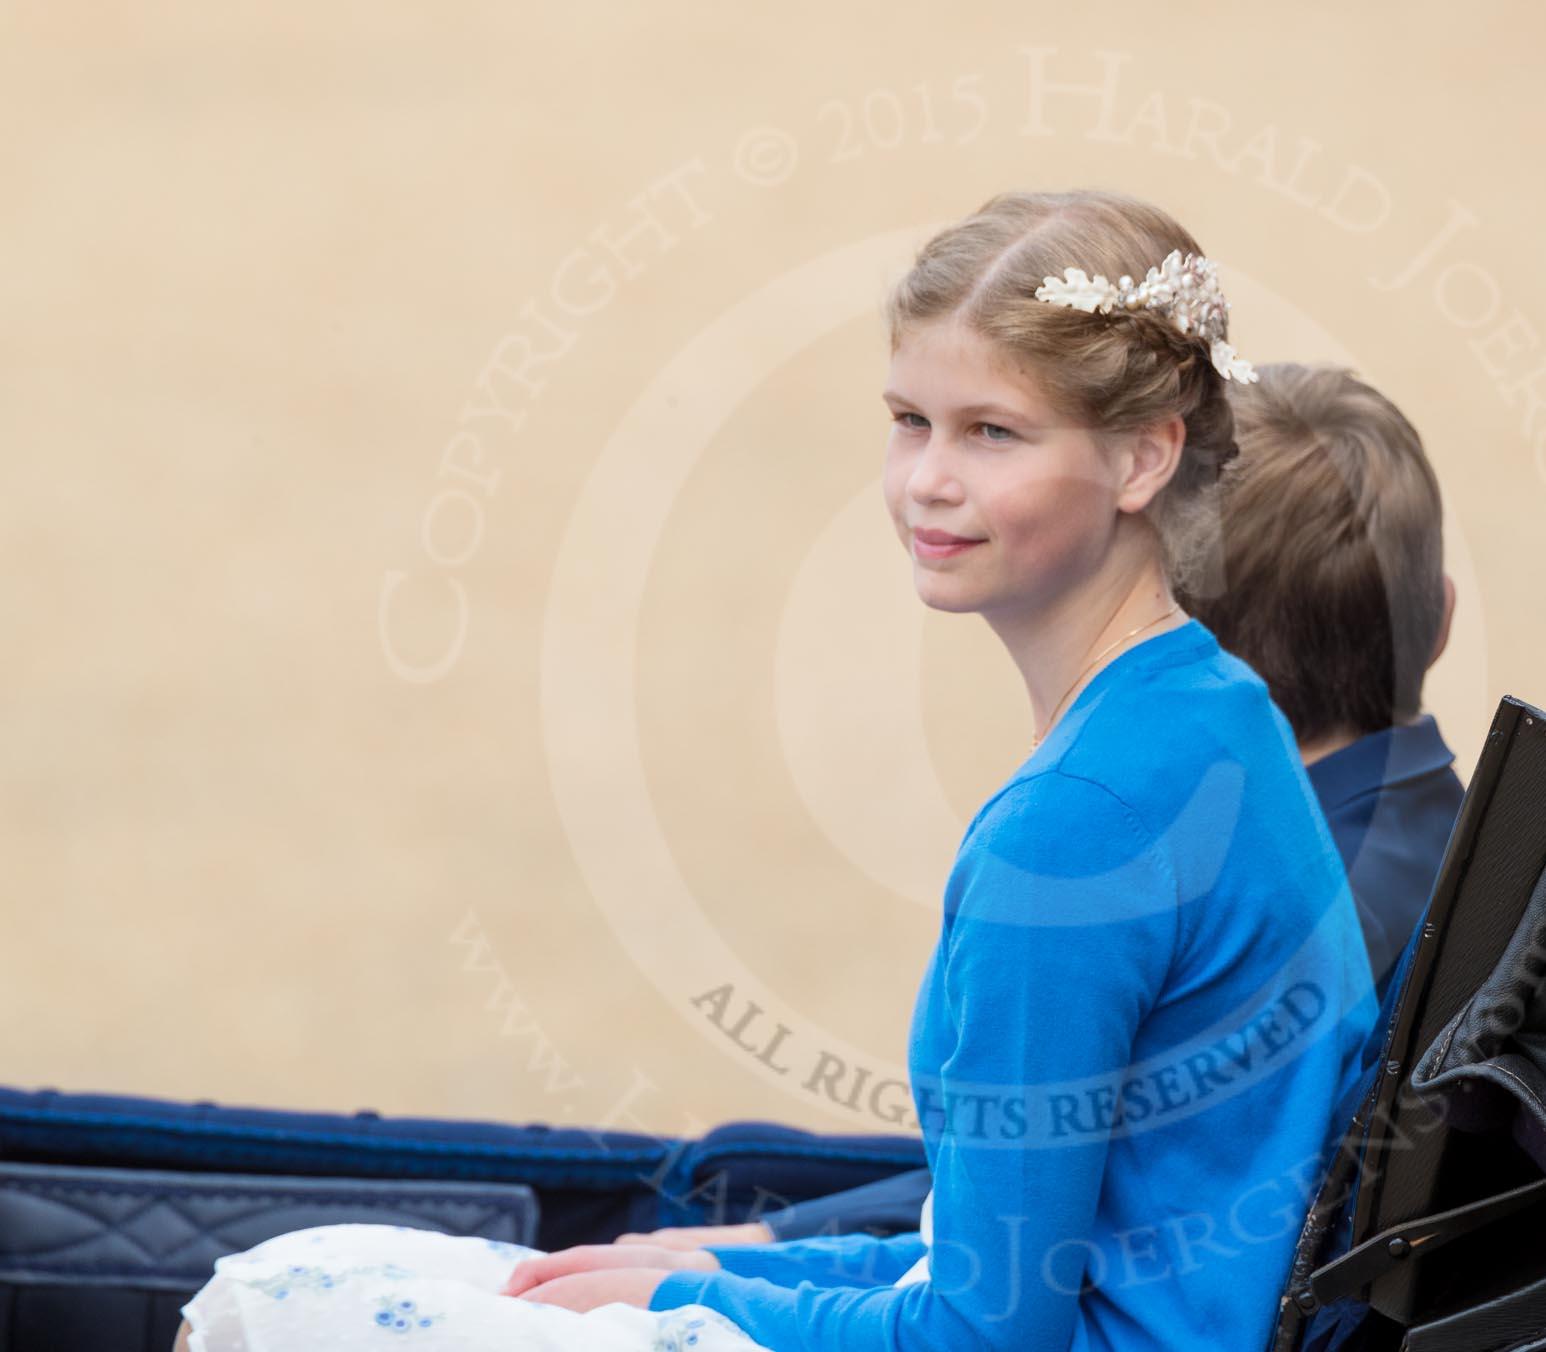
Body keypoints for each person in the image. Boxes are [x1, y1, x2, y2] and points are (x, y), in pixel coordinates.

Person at [173, 190, 1380, 1352]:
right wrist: (717, 1268)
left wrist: (681, 1310)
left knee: (269, 1304)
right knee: (367, 1271)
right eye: (911, 419)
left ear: (1141, 458)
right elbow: (1034, 1261)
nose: (928, 481)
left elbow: (984, 1333)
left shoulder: (1073, 825)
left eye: (992, 432)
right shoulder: (1217, 710)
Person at [622, 363, 1466, 1258]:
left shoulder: (1247, 888)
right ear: (1439, 620)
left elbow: (1055, 1207)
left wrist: (758, 1246)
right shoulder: (1458, 856)